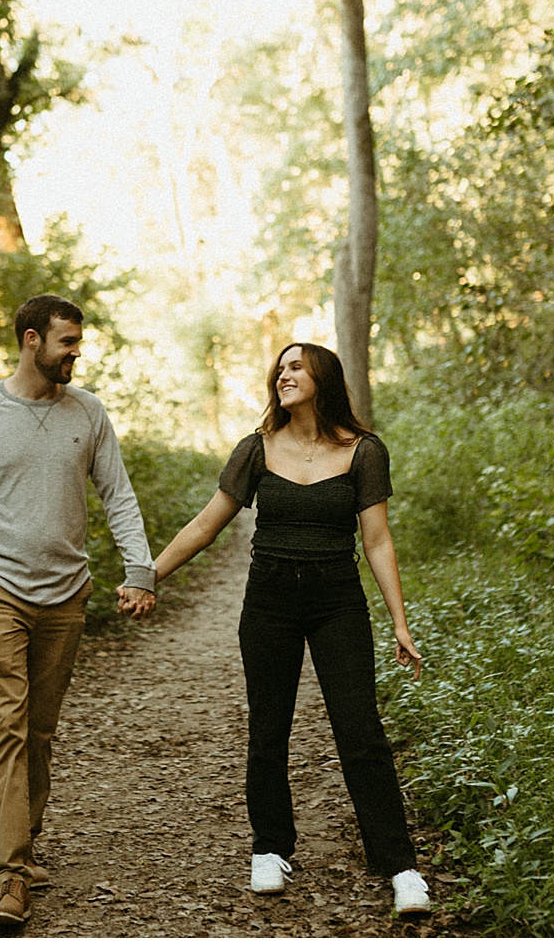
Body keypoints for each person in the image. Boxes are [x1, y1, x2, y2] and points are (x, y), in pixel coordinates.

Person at [151, 341, 432, 919]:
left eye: (296, 366)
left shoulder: (363, 451)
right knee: (268, 725)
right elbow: (207, 525)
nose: (284, 375)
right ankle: (271, 847)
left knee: (361, 731)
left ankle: (400, 865)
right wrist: (146, 576)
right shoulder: (256, 449)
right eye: (279, 369)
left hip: (337, 601)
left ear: (323, 377)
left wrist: (400, 622)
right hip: (269, 601)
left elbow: (377, 540)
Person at [0, 293, 158, 928]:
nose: (76, 354)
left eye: (77, 343)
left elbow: (118, 496)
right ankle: (10, 878)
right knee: (8, 726)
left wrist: (141, 569)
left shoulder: (89, 412)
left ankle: (20, 850)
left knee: (41, 733)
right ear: (32, 340)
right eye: (67, 343)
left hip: (66, 592)